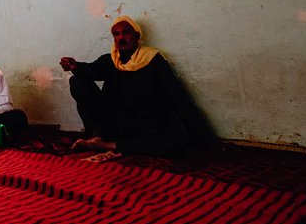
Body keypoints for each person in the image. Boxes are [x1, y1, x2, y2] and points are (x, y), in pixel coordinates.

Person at [60, 15, 213, 157]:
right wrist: (74, 66)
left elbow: (178, 97)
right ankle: (96, 137)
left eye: (126, 33)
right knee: (77, 81)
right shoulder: (111, 60)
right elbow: (90, 71)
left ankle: (107, 145)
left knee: (177, 138)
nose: (121, 38)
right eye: (116, 34)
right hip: (113, 123)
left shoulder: (153, 60)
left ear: (137, 36)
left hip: (143, 123)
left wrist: (204, 137)